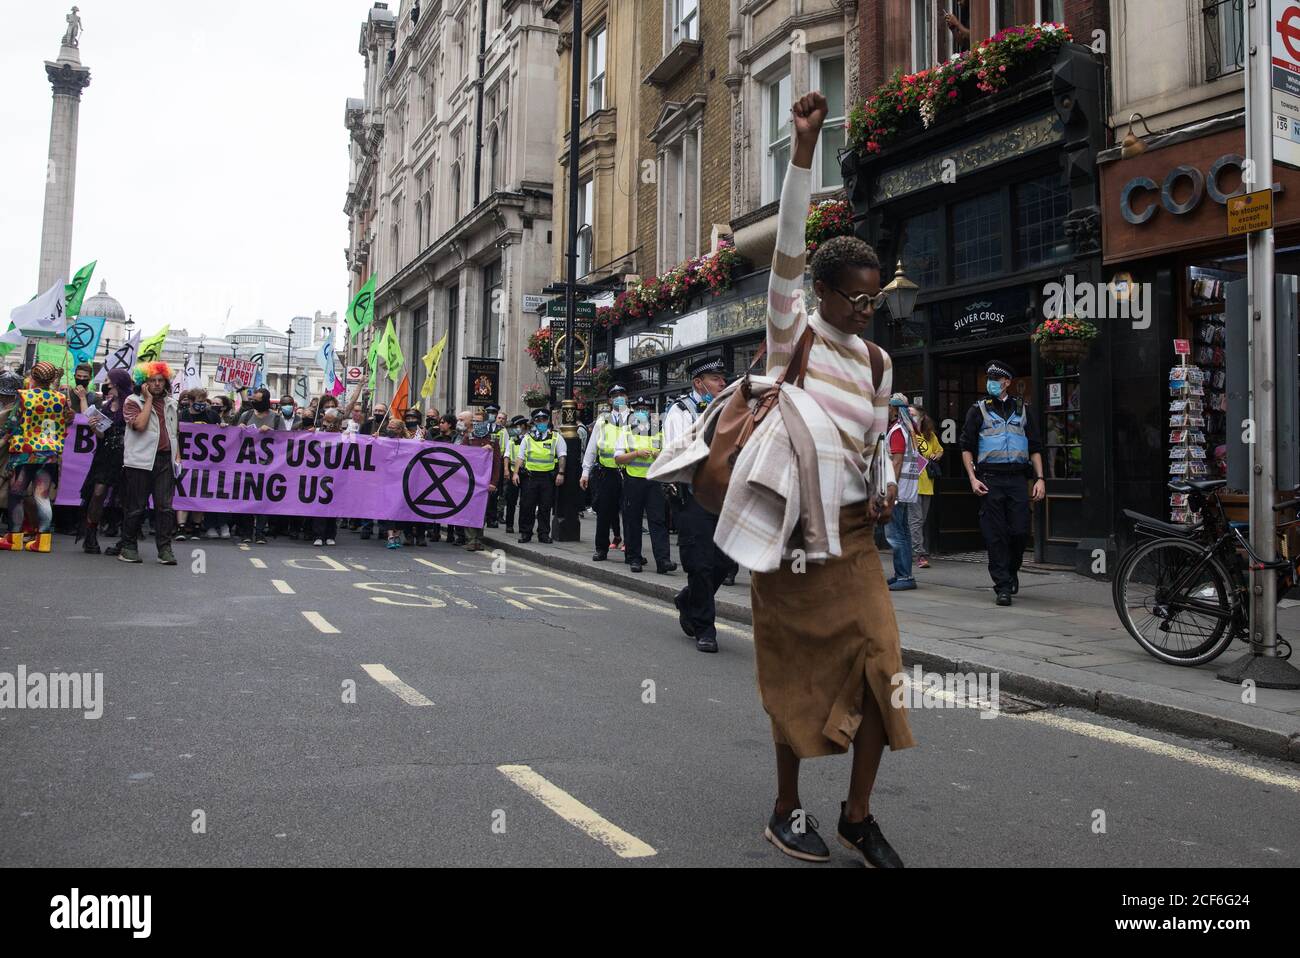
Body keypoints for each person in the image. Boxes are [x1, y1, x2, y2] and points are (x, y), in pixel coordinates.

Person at [748, 90, 914, 867]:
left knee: (884, 670)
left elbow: (879, 442)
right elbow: (786, 246)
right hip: (789, 539)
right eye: (855, 296)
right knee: (795, 676)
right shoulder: (793, 337)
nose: (866, 309)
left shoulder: (878, 361)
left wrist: (885, 482)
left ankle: (856, 814)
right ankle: (786, 808)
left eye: (874, 297)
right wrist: (804, 151)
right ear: (822, 294)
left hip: (852, 538)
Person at [959, 359, 1045, 605]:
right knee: (995, 535)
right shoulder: (978, 410)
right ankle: (1002, 586)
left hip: (1018, 479)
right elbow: (966, 447)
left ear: (1007, 382)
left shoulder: (1023, 409)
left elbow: (1035, 447)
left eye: (996, 379)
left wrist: (1040, 479)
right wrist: (973, 479)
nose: (991, 383)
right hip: (990, 480)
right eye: (990, 379)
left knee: (1019, 531)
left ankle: (1011, 571)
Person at [662, 356, 731, 653]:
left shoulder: (732, 411)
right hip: (694, 496)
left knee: (726, 562)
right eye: (716, 379)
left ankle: (688, 599)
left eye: (723, 378)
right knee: (701, 564)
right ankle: (705, 628)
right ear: (698, 384)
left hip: (725, 497)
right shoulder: (680, 412)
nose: (722, 383)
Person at [0, 361, 75, 552]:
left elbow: (13, 421)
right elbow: (66, 421)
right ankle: (43, 540)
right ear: (51, 379)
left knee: (16, 494)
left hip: (25, 452)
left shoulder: (24, 396)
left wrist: (6, 434)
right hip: (49, 453)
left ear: (33, 377)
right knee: (42, 496)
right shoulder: (60, 398)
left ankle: (14, 538)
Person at [117, 362, 180, 565]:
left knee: (165, 508)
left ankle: (165, 549)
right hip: (139, 462)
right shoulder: (132, 401)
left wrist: (177, 457)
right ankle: (128, 547)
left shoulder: (172, 403)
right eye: (152, 380)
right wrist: (149, 401)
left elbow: (174, 433)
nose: (157, 384)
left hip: (164, 460)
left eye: (160, 380)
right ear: (144, 383)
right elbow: (140, 426)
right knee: (136, 507)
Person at [614, 397, 675, 574]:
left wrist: (659, 456)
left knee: (658, 521)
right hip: (633, 481)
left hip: (654, 481)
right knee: (633, 521)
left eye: (646, 408)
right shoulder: (626, 431)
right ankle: (634, 558)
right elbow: (618, 458)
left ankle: (663, 561)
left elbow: (668, 455)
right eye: (639, 408)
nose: (643, 411)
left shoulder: (658, 430)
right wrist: (636, 454)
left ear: (651, 411)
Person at [77, 368, 132, 555]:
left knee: (125, 498)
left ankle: (126, 539)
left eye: (109, 380)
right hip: (105, 455)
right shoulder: (106, 406)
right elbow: (102, 435)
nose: (107, 384)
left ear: (118, 383)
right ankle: (90, 535)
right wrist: (94, 428)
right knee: (98, 492)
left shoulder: (131, 404)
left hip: (127, 456)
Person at [581, 384, 630, 562]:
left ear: (627, 397)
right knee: (604, 513)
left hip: (629, 471)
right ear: (609, 400)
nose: (619, 398)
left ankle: (632, 550)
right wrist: (585, 472)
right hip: (607, 473)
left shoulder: (636, 418)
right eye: (615, 395)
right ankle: (601, 549)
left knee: (630, 513)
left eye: (622, 394)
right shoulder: (602, 421)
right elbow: (592, 448)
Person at [236, 387, 285, 544]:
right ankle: (247, 532)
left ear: (266, 401)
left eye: (258, 401)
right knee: (246, 499)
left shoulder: (276, 419)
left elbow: (285, 439)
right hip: (247, 464)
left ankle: (260, 532)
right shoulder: (246, 415)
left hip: (268, 467)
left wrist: (271, 431)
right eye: (253, 400)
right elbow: (233, 437)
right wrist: (240, 429)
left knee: (263, 500)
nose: (255, 403)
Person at [883, 394, 923, 591]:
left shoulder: (898, 430)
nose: (886, 409)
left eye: (888, 406)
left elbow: (897, 461)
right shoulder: (908, 430)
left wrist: (891, 487)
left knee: (895, 534)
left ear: (895, 409)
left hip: (897, 491)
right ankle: (903, 574)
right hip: (906, 489)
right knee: (903, 533)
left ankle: (904, 576)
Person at [513, 408, 565, 544]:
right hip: (530, 477)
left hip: (547, 478)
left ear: (548, 421)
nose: (541, 422)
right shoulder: (528, 438)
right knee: (527, 506)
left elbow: (562, 456)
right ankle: (526, 533)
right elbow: (520, 457)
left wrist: (561, 473)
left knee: (545, 507)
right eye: (538, 420)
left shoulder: (556, 437)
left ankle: (543, 534)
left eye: (543, 420)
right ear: (534, 422)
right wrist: (515, 473)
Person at [462, 408, 501, 552]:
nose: (477, 424)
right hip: (470, 480)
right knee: (470, 510)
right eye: (474, 421)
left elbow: (497, 463)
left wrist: (493, 482)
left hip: (485, 481)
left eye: (479, 421)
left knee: (481, 511)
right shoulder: (469, 437)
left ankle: (479, 539)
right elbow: (461, 456)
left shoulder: (493, 439)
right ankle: (471, 540)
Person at [910, 406, 943, 568]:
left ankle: (910, 550)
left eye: (913, 414)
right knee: (916, 520)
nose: (911, 417)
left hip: (927, 483)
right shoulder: (908, 434)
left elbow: (940, 450)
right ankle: (919, 554)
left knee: (921, 520)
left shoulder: (929, 436)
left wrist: (936, 455)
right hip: (911, 484)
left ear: (922, 417)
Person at [501, 415, 527, 533]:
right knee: (511, 500)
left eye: (517, 426)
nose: (516, 428)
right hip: (513, 472)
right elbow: (506, 455)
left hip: (526, 473)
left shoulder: (529, 438)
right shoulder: (512, 439)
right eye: (514, 426)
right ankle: (509, 524)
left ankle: (523, 526)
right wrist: (506, 469)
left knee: (525, 501)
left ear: (522, 426)